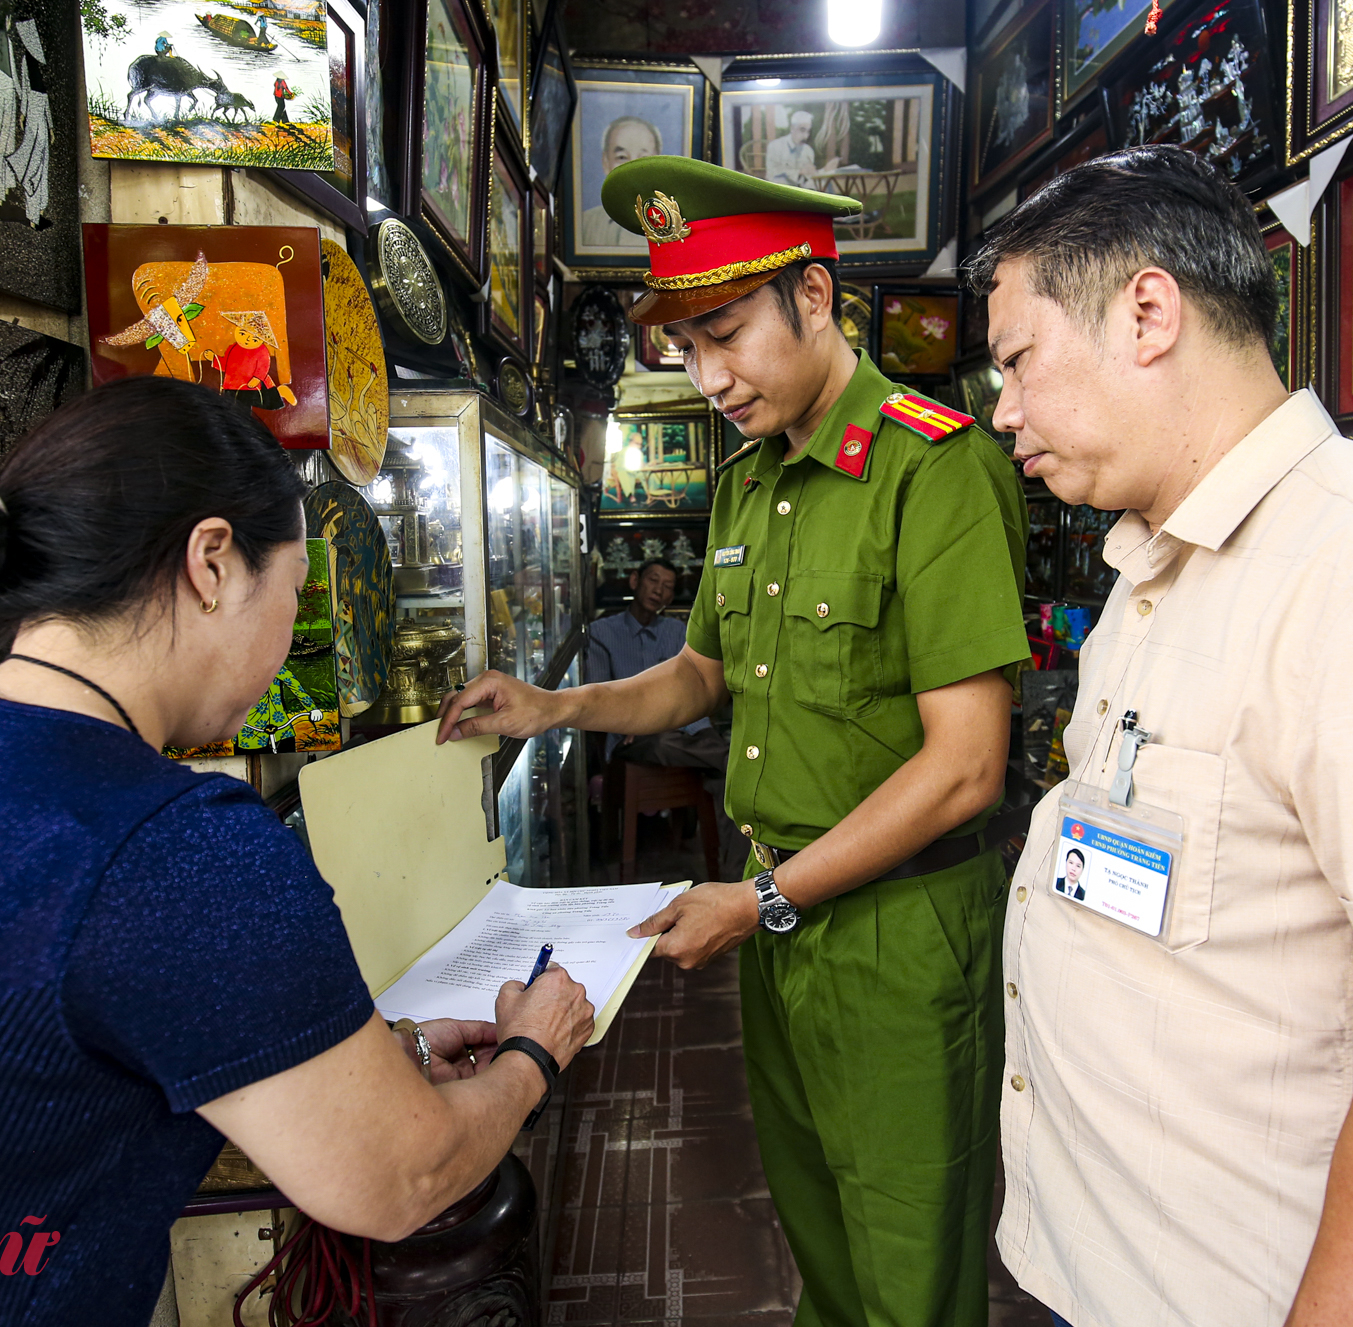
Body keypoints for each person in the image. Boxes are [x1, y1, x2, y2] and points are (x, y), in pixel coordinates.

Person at [0, 377, 593, 1323]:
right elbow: (403, 1176)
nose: (290, 639)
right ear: (213, 562)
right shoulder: (178, 849)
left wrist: (392, 1054)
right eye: (299, 591)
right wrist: (532, 1051)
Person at [971, 144, 1353, 1327]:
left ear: (1147, 312)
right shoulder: (1152, 567)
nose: (1001, 407)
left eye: (1017, 358)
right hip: (1100, 1260)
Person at [439, 155, 1032, 1327]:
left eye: (726, 332)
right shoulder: (749, 482)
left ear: (815, 296)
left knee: (911, 1262)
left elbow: (964, 765)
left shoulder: (934, 466)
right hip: (783, 916)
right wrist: (554, 708)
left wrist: (756, 900)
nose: (708, 377)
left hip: (898, 937)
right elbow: (700, 672)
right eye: (686, 347)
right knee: (818, 1229)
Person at [587, 557, 742, 875]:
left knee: (726, 778)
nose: (659, 590)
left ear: (672, 597)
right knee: (684, 748)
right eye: (653, 580)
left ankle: (735, 868)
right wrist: (634, 719)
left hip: (690, 729)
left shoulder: (678, 631)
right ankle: (735, 761)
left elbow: (700, 688)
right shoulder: (602, 632)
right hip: (633, 737)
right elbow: (596, 695)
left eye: (668, 587)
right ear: (634, 581)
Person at [578, 116, 662, 249]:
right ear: (606, 163)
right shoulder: (584, 224)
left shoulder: (673, 226)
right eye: (622, 157)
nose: (631, 167)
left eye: (643, 158)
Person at [763, 110, 838, 190]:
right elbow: (771, 173)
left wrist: (824, 171)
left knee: (825, 184)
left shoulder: (808, 150)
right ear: (792, 128)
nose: (806, 136)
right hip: (781, 187)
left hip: (801, 187)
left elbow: (809, 176)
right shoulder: (775, 146)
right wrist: (799, 172)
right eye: (802, 130)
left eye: (808, 131)